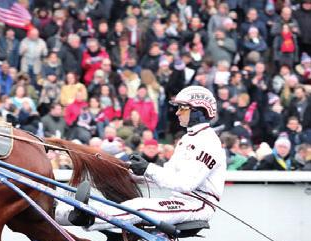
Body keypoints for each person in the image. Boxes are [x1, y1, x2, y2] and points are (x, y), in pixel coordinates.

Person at [56, 85, 226, 232]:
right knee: (128, 202)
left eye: (182, 108)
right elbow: (168, 174)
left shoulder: (208, 142)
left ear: (198, 111)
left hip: (197, 206)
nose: (177, 112)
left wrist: (148, 169)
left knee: (139, 207)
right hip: (182, 201)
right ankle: (62, 213)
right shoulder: (188, 139)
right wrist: (129, 173)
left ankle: (87, 218)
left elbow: (185, 183)